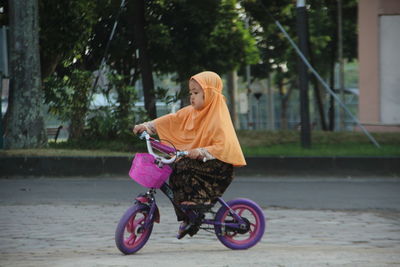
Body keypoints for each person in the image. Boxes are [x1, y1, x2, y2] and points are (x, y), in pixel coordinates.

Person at [133, 71, 246, 238]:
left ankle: (199, 203)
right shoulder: (190, 112)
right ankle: (189, 217)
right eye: (190, 93)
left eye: (196, 93)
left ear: (210, 94)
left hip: (218, 166)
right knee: (176, 170)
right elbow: (171, 120)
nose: (192, 97)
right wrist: (147, 127)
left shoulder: (218, 116)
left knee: (182, 165)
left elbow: (223, 145)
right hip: (199, 162)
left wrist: (202, 151)